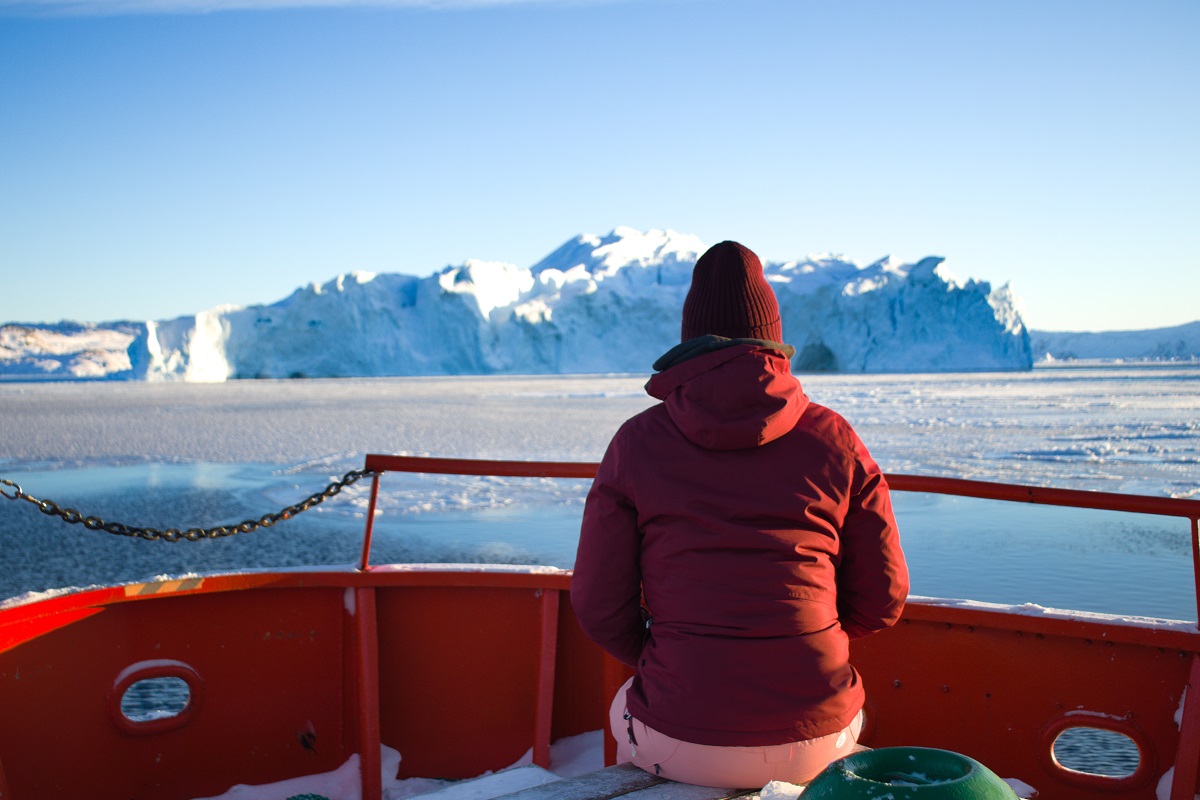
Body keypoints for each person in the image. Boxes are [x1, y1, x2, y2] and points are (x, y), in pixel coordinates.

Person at [570, 240, 909, 789]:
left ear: (689, 340)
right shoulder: (836, 439)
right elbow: (885, 595)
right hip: (817, 735)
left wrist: (661, 652)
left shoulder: (637, 443)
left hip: (683, 740)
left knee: (623, 707)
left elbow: (597, 603)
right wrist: (811, 632)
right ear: (773, 338)